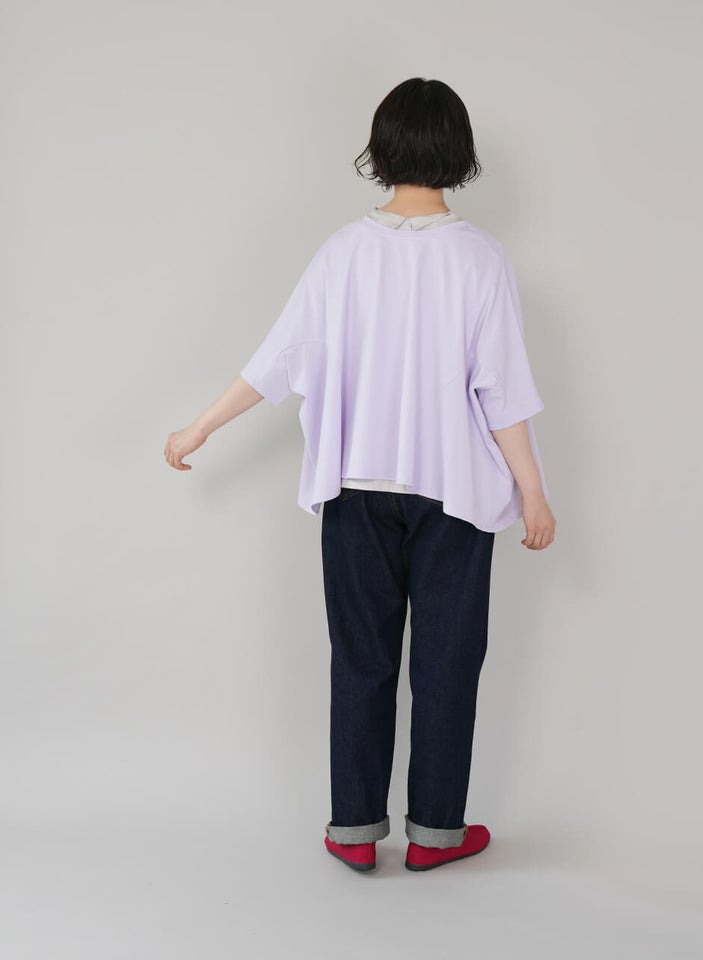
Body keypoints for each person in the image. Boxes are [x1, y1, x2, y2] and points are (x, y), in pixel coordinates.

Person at [164, 77, 556, 873]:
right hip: (453, 494)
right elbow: (502, 389)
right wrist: (533, 491)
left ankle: (352, 829)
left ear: (380, 149)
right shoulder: (480, 258)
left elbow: (279, 357)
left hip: (355, 491)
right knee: (447, 664)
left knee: (361, 658)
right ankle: (436, 835)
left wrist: (201, 424)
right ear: (458, 151)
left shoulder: (343, 252)